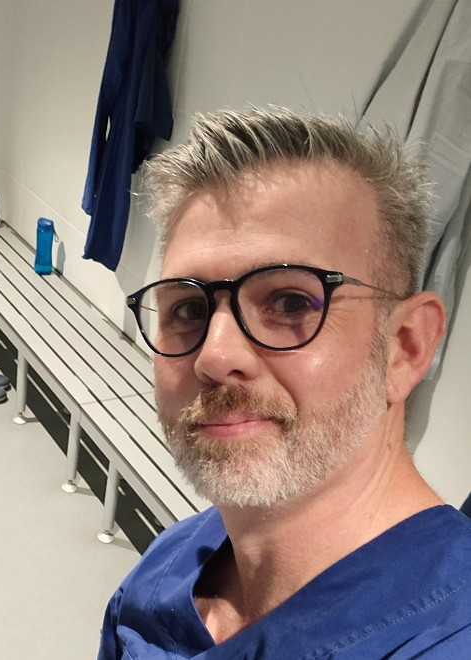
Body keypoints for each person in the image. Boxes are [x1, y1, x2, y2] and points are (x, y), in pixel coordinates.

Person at [98, 107, 471, 658]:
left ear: (405, 347)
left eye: (292, 302)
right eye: (188, 309)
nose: (214, 356)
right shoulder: (164, 570)